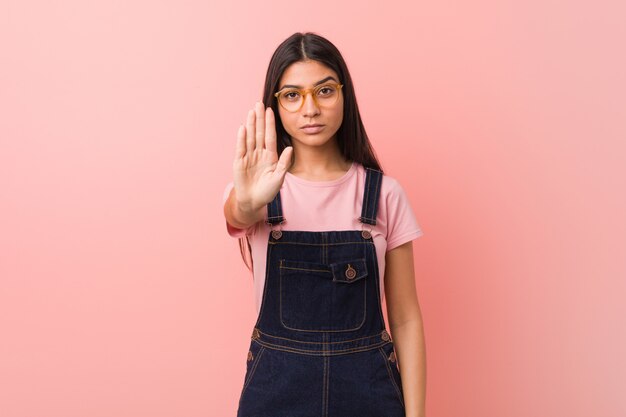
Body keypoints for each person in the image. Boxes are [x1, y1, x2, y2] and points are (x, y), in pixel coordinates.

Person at [222, 32, 426, 417]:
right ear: (275, 106)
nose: (310, 108)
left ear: (344, 95)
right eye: (293, 95)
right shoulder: (258, 191)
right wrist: (248, 203)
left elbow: (405, 317)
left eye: (325, 91)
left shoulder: (384, 195)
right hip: (276, 392)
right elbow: (237, 213)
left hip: (369, 393)